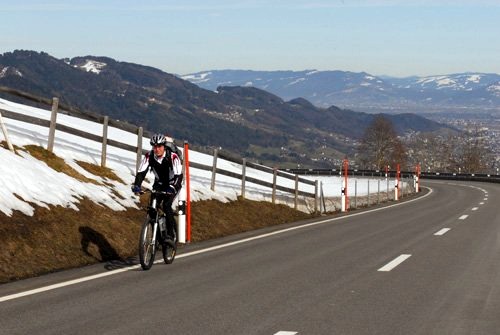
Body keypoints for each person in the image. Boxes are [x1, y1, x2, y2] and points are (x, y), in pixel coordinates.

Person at [131, 134, 183, 241]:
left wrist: (173, 187)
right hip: (159, 184)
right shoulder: (149, 156)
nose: (157, 149)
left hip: (173, 183)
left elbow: (179, 175)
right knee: (152, 208)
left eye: (159, 146)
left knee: (167, 205)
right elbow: (141, 172)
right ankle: (157, 232)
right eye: (154, 146)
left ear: (164, 146)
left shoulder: (173, 157)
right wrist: (137, 185)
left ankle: (170, 234)